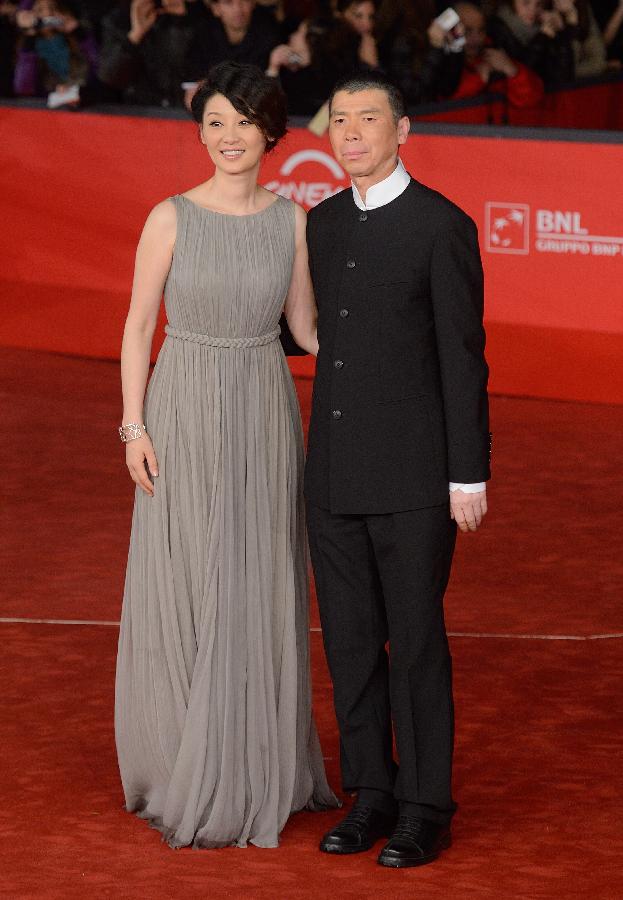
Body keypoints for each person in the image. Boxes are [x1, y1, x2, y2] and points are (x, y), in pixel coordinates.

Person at [115, 60, 337, 850]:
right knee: (183, 575)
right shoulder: (169, 216)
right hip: (181, 406)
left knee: (255, 576)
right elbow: (140, 327)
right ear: (200, 131)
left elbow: (307, 333)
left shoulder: (293, 221)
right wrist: (134, 427)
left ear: (271, 132)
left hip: (262, 405)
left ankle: (251, 756)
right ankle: (175, 755)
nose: (228, 136)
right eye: (215, 122)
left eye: (243, 121)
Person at [304, 70, 491, 868]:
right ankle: (369, 795)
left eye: (367, 118)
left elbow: (461, 356)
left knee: (413, 642)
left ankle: (424, 804)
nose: (350, 132)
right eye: (339, 120)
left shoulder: (439, 225)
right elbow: (312, 335)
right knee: (349, 643)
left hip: (417, 480)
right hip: (333, 478)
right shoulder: (320, 224)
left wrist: (467, 474)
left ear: (402, 129)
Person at [98, 0, 201, 107]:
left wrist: (183, 20)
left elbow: (204, 66)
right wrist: (136, 34)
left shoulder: (195, 13)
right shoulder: (119, 19)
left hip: (182, 109)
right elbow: (110, 77)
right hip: (139, 109)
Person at [442, 1, 544, 106]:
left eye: (481, 30)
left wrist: (512, 70)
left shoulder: (492, 54)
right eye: (468, 31)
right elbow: (440, 102)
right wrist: (479, 79)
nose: (476, 38)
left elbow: (532, 97)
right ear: (452, 30)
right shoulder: (442, 58)